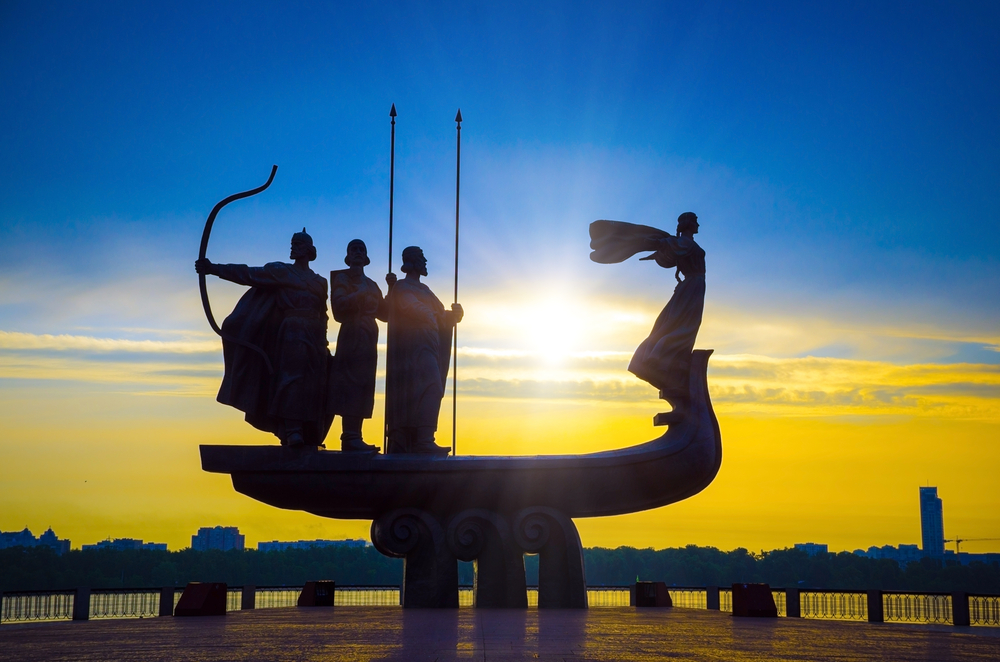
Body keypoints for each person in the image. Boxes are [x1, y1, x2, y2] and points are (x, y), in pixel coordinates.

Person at [195, 228, 332, 447]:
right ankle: (292, 429)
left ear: (309, 250)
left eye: (298, 244)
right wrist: (213, 269)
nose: (293, 247)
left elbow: (323, 313)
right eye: (292, 243)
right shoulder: (282, 271)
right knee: (292, 378)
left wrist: (323, 340)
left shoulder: (320, 282)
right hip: (292, 330)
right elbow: (249, 274)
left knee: (314, 383)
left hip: (315, 334)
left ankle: (309, 430)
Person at [589, 212, 706, 421]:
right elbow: (670, 252)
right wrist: (661, 243)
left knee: (680, 324)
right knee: (682, 326)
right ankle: (662, 361)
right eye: (695, 221)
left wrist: (664, 244)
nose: (698, 224)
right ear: (689, 224)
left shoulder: (681, 242)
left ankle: (668, 364)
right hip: (692, 287)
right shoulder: (683, 242)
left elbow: (669, 253)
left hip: (692, 288)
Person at [383, 246, 463, 455]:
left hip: (431, 342)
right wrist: (432, 316)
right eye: (421, 258)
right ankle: (423, 439)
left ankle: (425, 438)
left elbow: (440, 316)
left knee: (431, 387)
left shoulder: (426, 290)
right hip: (414, 345)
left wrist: (454, 315)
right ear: (412, 261)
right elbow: (409, 306)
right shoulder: (401, 287)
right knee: (431, 386)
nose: (425, 261)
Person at [328, 239, 385, 452]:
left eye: (362, 249)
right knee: (350, 382)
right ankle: (349, 436)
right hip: (352, 331)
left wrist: (391, 289)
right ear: (348, 256)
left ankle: (356, 434)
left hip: (369, 335)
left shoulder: (372, 284)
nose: (359, 252)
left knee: (364, 383)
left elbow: (385, 314)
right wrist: (358, 295)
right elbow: (338, 306)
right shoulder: (343, 278)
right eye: (354, 249)